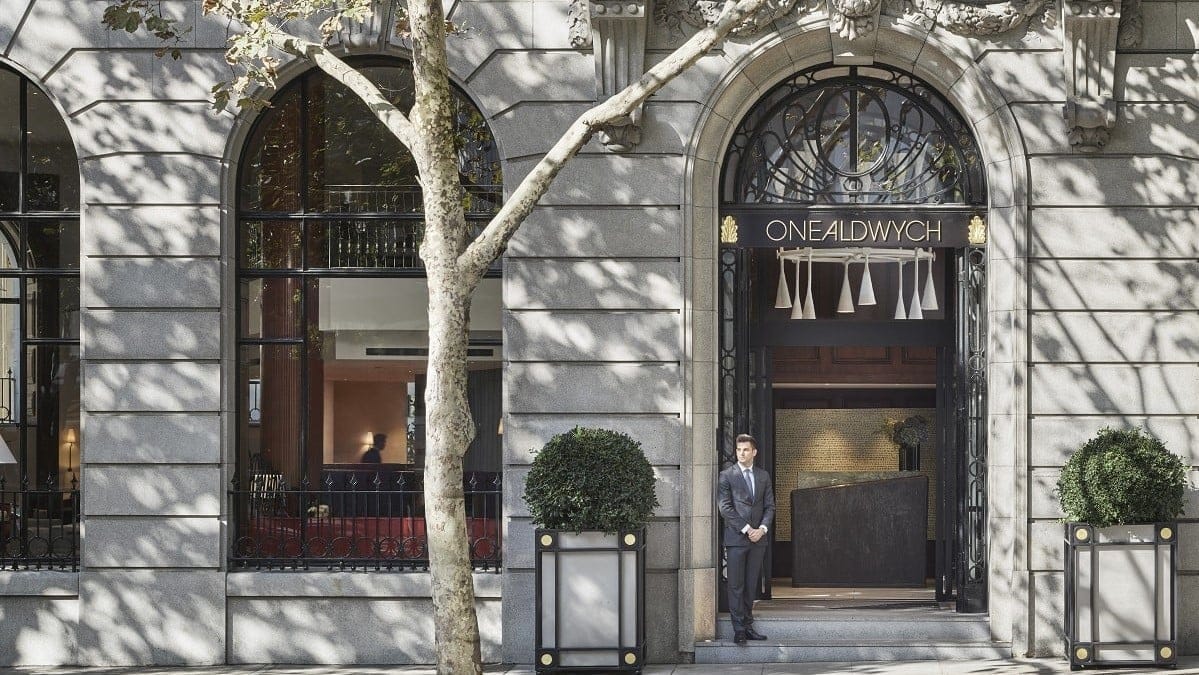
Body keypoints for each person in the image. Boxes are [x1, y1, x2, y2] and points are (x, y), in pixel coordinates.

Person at [718, 433, 775, 646]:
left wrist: (762, 528)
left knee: (751, 585)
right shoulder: (726, 476)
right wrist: (746, 528)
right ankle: (739, 629)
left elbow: (770, 506)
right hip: (736, 538)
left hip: (758, 539)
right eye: (739, 450)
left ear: (754, 452)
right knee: (736, 585)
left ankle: (748, 626)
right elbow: (725, 508)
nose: (741, 453)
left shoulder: (763, 476)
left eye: (745, 450)